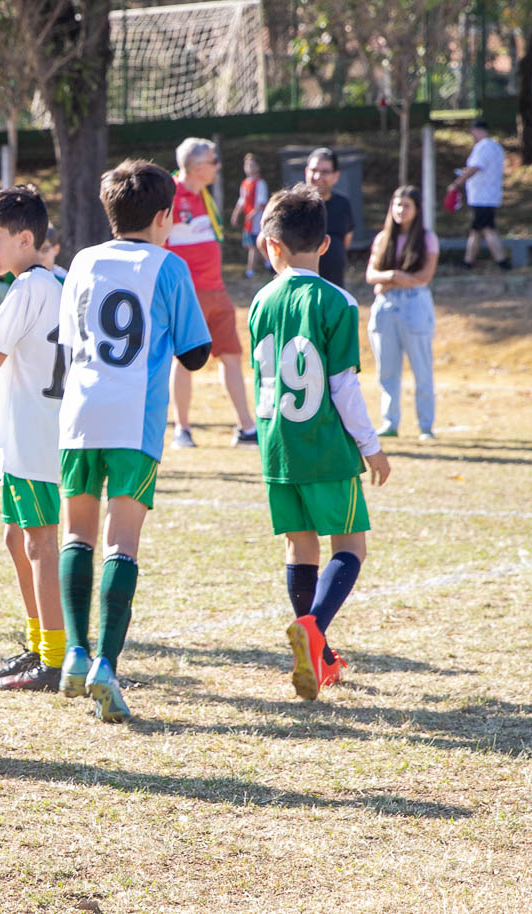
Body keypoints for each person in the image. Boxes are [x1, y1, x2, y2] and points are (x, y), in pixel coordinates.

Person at [58, 160, 212, 723]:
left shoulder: (82, 260)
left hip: (79, 413)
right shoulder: (169, 266)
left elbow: (69, 337)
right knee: (121, 542)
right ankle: (106, 663)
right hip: (134, 420)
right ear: (165, 216)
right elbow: (196, 354)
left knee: (76, 534)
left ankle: (74, 650)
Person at [248, 184, 390, 702]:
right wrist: (371, 445)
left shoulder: (260, 301)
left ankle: (320, 656)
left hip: (277, 445)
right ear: (326, 244)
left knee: (299, 544)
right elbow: (342, 385)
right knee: (350, 547)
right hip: (325, 446)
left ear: (271, 245)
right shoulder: (338, 302)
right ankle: (313, 630)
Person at [0, 186, 66, 692]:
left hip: (36, 434)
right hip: (22, 431)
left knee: (39, 543)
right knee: (16, 536)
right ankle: (38, 644)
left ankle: (54, 657)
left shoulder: (29, 286)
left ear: (25, 239)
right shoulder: (44, 283)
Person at [164, 137, 256, 450]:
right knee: (184, 358)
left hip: (217, 290)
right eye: (214, 161)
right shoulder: (169, 195)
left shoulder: (204, 194)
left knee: (231, 356)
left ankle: (247, 429)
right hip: (188, 293)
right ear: (197, 167)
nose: (218, 166)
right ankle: (182, 430)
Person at [365, 186, 440, 440]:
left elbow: (423, 276)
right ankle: (389, 422)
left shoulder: (426, 239)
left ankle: (426, 426)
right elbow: (371, 275)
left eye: (406, 205)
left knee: (422, 369)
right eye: (397, 205)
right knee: (387, 370)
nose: (400, 210)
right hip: (385, 308)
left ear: (417, 209)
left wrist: (389, 281)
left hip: (414, 305)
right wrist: (394, 276)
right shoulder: (382, 238)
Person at [451, 121, 510, 271]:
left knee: (487, 228)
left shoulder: (483, 147)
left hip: (482, 196)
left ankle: (502, 262)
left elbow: (475, 167)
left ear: (477, 131)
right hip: (488, 194)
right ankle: (468, 262)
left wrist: (458, 183)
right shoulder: (496, 146)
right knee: (476, 230)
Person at [302, 147, 355, 289]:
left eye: (325, 172)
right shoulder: (294, 205)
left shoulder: (343, 204)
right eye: (314, 170)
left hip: (334, 287)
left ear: (336, 176)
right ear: (306, 172)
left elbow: (346, 240)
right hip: (302, 289)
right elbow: (264, 240)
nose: (318, 176)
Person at [230, 152, 268, 280]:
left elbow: (261, 202)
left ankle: (250, 271)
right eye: (247, 165)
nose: (249, 168)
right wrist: (236, 214)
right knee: (252, 245)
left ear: (258, 167)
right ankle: (268, 263)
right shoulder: (245, 183)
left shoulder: (260, 183)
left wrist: (253, 214)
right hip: (248, 220)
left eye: (252, 165)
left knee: (254, 245)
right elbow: (241, 201)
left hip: (257, 220)